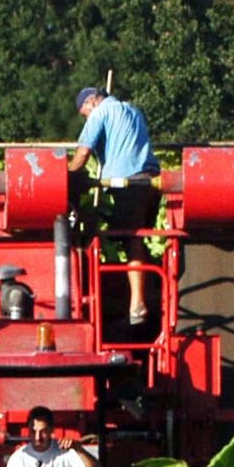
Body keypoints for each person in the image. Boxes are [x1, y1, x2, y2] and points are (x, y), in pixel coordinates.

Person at [69, 85, 159, 326]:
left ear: (90, 103)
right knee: (137, 238)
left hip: (128, 184)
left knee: (127, 239)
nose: (86, 118)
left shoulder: (100, 114)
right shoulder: (133, 110)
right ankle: (149, 297)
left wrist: (63, 178)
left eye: (84, 114)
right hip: (151, 184)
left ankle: (136, 305)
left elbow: (82, 155)